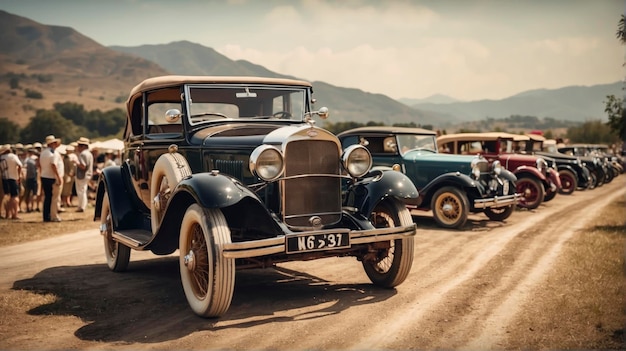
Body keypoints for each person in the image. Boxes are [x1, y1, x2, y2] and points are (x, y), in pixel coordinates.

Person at [39, 135, 63, 222]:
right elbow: (53, 165)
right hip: (52, 177)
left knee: (47, 197)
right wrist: (58, 177)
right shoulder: (54, 153)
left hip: (44, 176)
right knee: (54, 198)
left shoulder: (43, 153)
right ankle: (53, 215)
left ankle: (46, 216)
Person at [0, 144, 23, 220]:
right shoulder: (13, 156)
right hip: (12, 177)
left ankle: (7, 213)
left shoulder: (1, 158)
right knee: (15, 196)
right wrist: (18, 175)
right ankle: (15, 214)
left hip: (4, 178)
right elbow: (20, 165)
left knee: (7, 196)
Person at [74, 137, 93, 213]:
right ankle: (83, 206)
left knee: (80, 191)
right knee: (83, 190)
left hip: (82, 175)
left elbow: (83, 166)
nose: (78, 147)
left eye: (79, 146)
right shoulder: (89, 154)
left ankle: (81, 206)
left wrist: (76, 162)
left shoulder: (82, 154)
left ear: (83, 146)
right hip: (88, 174)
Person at [21, 146, 39, 213]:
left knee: (28, 193)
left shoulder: (27, 160)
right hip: (33, 178)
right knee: (33, 193)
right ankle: (31, 206)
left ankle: (29, 207)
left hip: (29, 178)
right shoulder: (35, 159)